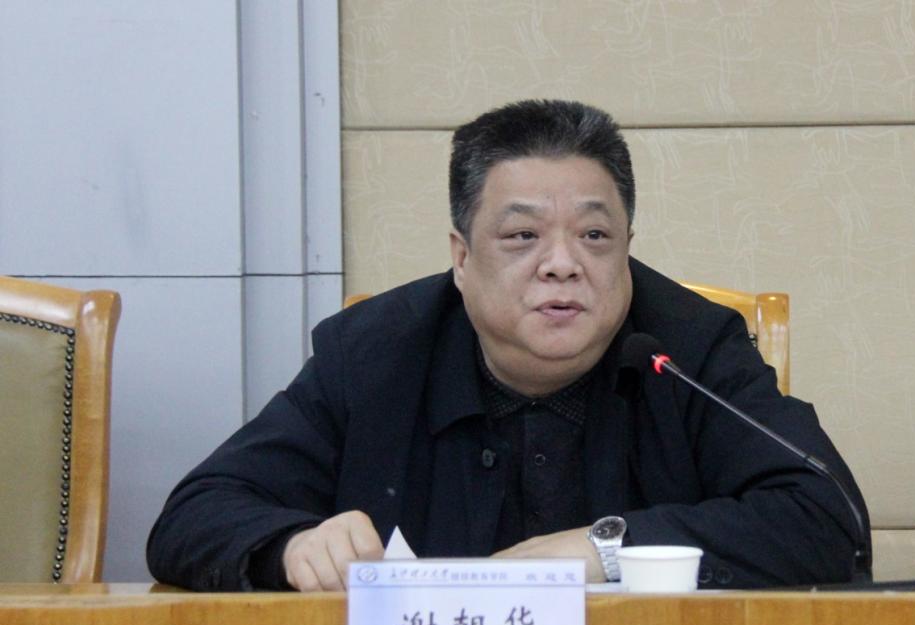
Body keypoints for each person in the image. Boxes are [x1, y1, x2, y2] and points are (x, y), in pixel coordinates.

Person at [147, 99, 871, 592]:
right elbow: (194, 515)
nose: (563, 263)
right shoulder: (376, 354)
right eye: (523, 235)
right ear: (461, 257)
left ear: (627, 247)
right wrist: (291, 547)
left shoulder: (686, 349)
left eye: (595, 235)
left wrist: (604, 549)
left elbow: (828, 518)